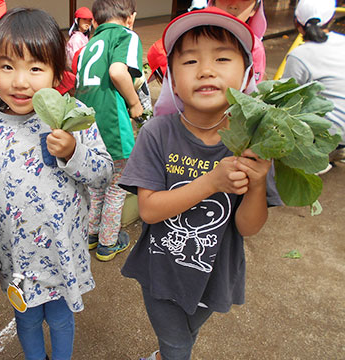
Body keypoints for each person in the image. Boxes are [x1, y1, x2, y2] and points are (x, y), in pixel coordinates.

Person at [118, 8, 282, 360]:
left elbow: (248, 227)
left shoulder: (253, 141)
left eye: (222, 58)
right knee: (178, 346)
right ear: (172, 80)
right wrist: (212, 181)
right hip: (161, 269)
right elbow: (148, 210)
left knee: (182, 340)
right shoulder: (157, 134)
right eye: (190, 61)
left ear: (246, 74)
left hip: (216, 275)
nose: (206, 70)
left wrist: (255, 184)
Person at [0, 8, 113, 360]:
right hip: (16, 258)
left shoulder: (73, 115)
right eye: (7, 66)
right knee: (27, 320)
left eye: (35, 67)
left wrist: (73, 151)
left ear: (56, 72)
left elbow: (104, 174)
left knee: (62, 319)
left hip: (62, 251)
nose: (20, 81)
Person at [75, 0, 144, 261]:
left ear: (94, 21)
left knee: (95, 185)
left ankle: (92, 235)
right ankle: (107, 243)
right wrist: (135, 103)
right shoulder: (126, 35)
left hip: (86, 128)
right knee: (117, 186)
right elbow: (117, 71)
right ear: (130, 18)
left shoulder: (87, 45)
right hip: (112, 126)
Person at [282, 0, 345, 173]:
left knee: (285, 113)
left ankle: (318, 155)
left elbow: (286, 97)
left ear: (296, 22)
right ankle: (336, 150)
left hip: (329, 133)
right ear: (331, 19)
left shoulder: (299, 55)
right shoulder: (342, 42)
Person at [209, 0, 267, 83]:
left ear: (254, 9)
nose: (233, 6)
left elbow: (254, 89)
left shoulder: (255, 47)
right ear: (213, 3)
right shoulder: (194, 38)